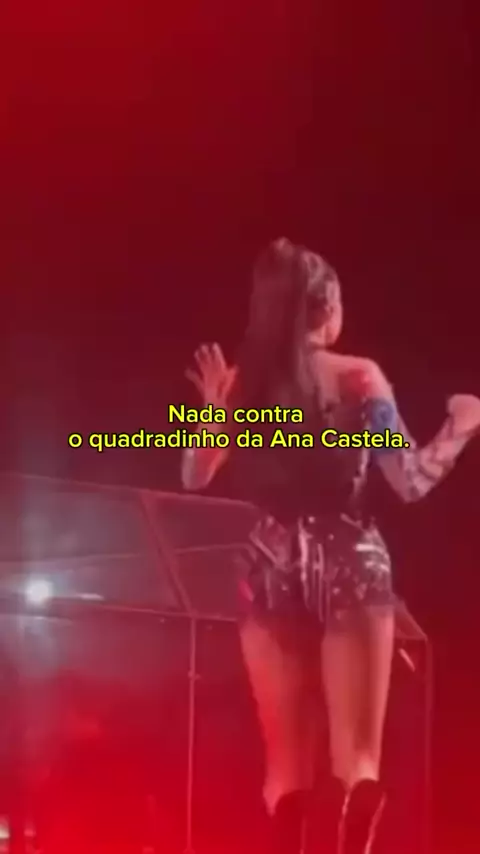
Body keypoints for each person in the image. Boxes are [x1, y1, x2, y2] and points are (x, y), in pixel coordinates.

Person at [180, 237, 480, 854]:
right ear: (325, 308)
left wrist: (210, 411)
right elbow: (411, 480)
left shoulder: (244, 384)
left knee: (286, 770)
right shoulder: (359, 379)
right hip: (352, 559)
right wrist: (462, 425)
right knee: (358, 759)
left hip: (269, 564)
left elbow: (193, 475)